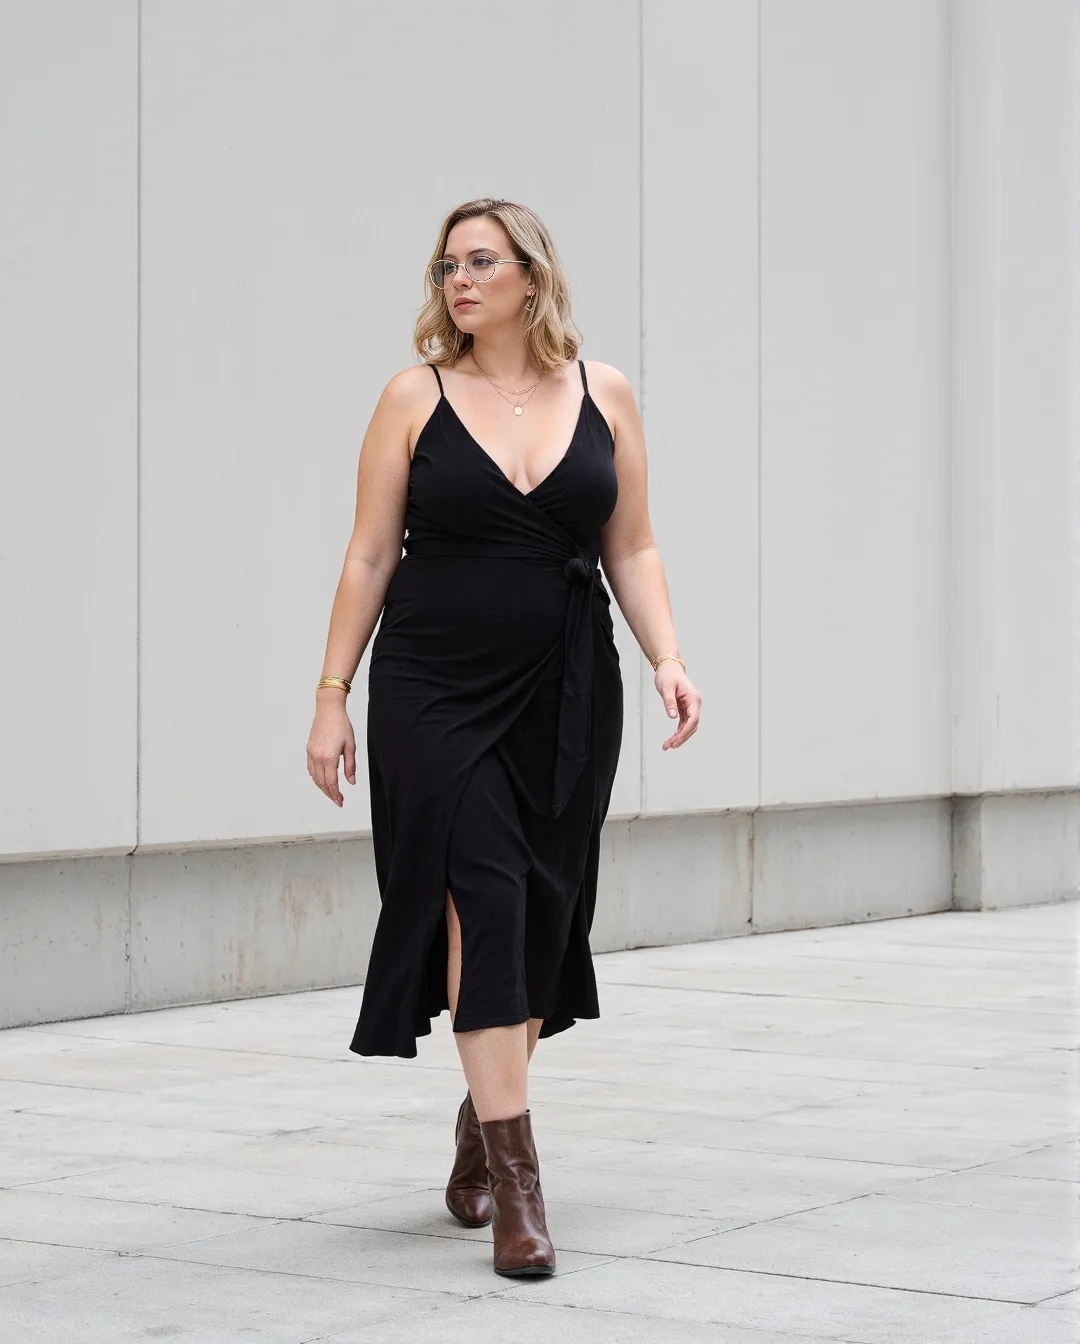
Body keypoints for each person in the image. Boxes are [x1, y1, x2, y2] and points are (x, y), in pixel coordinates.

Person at [306, 197, 701, 1278]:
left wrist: (666, 653)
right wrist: (333, 691)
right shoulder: (412, 398)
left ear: (532, 275)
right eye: (445, 267)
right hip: (434, 688)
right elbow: (368, 557)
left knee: (537, 912)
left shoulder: (604, 392)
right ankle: (523, 1189)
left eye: (480, 262)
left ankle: (483, 1121)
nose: (458, 282)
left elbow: (636, 546)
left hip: (569, 688)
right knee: (479, 895)